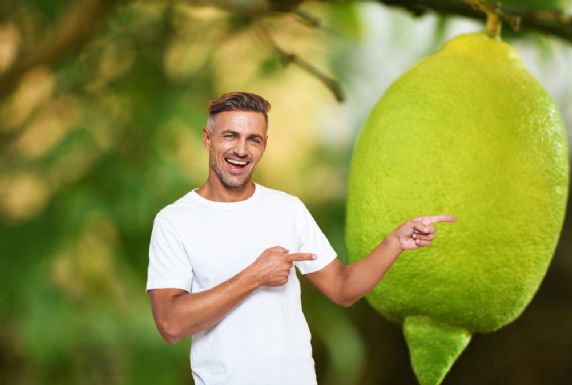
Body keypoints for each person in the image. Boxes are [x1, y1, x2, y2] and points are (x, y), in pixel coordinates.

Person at [146, 91, 455, 385]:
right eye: (231, 136)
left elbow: (343, 288)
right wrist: (255, 275)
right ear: (208, 138)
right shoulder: (175, 222)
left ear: (264, 145)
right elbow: (171, 324)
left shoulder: (287, 209)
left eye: (253, 139)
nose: (241, 150)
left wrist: (395, 243)